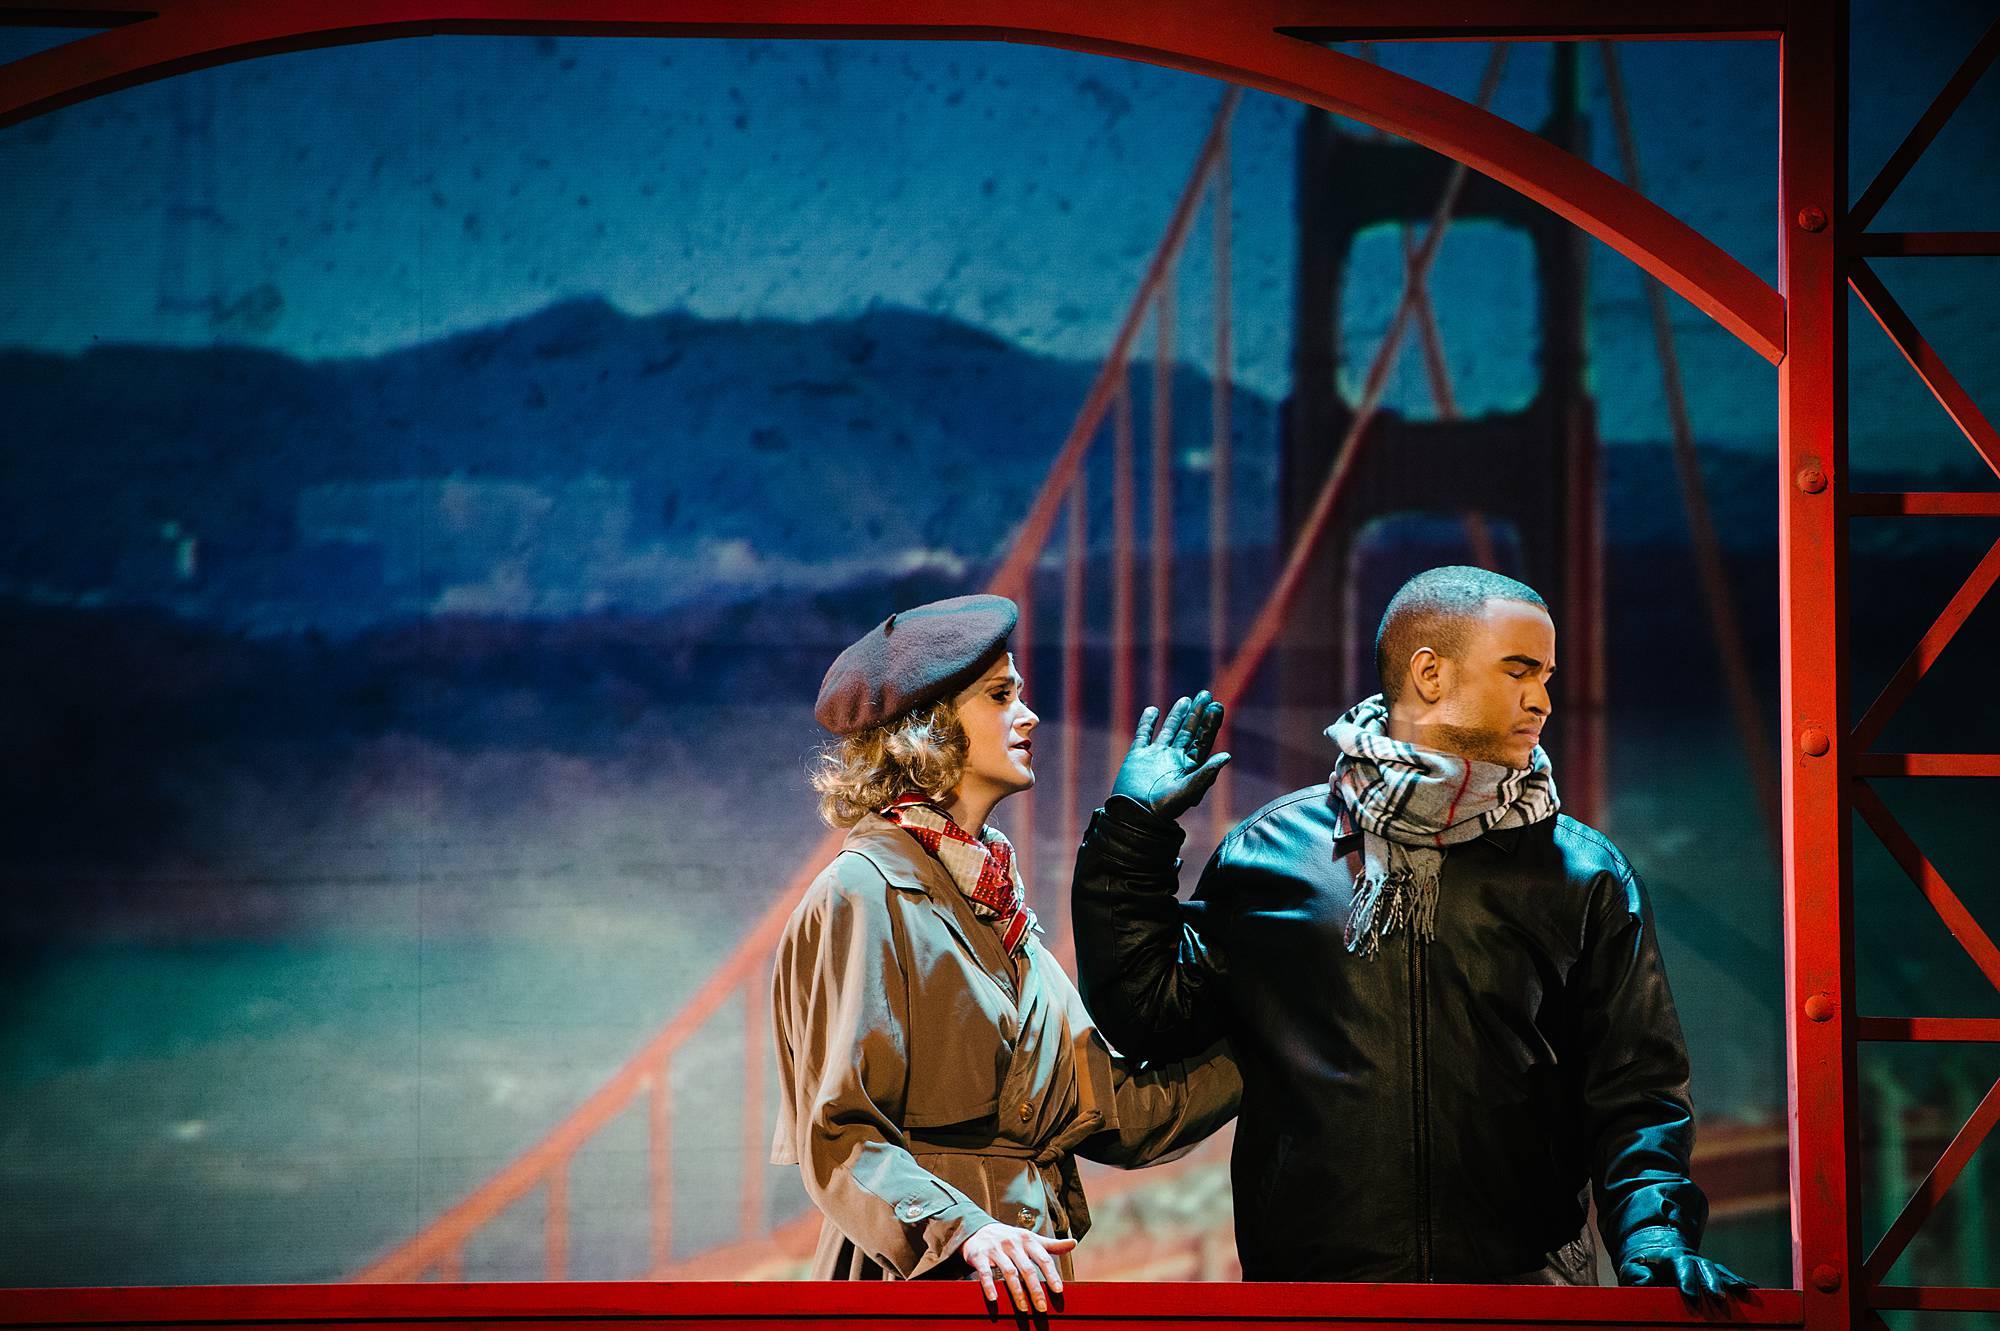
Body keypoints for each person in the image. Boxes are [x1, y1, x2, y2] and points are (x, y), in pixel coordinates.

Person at [1071, 566, 1752, 1302]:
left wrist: (1655, 1234)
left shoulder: (1585, 873)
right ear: (1430, 672)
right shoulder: (1271, 853)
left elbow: (1636, 1092)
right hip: (1317, 1306)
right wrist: (1133, 832)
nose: (1545, 700)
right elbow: (1148, 1016)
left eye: (1547, 676)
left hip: (1526, 1303)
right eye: (1520, 670)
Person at [770, 593, 1239, 1313]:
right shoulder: (865, 891)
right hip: (918, 1283)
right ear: (928, 729)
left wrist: (1284, 1028)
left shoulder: (995, 905)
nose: (1030, 715)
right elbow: (840, 1135)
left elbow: (1120, 1112)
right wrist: (966, 1232)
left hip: (1020, 1287)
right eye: (1001, 695)